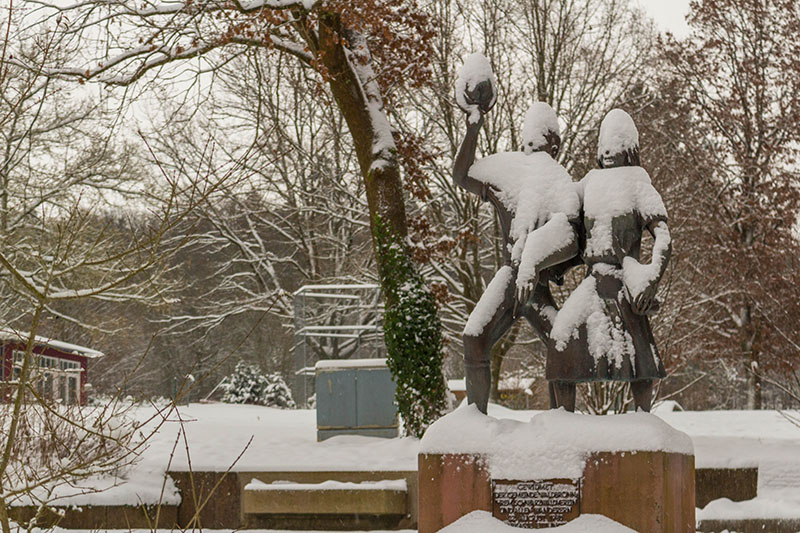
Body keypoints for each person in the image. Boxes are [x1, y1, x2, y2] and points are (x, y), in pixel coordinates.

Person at [453, 55, 582, 414]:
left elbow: (571, 239)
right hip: (513, 279)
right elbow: (461, 176)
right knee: (478, 339)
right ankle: (477, 422)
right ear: (555, 145)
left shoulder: (558, 184)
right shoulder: (520, 172)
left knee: (558, 344)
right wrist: (472, 128)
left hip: (530, 282)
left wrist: (535, 264)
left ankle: (560, 422)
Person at [549, 109, 671, 412]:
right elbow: (573, 233)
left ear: (628, 146)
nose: (607, 150)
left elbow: (663, 237)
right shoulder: (588, 184)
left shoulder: (638, 183)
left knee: (639, 360)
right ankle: (563, 419)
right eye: (603, 143)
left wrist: (651, 280)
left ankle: (642, 419)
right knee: (561, 341)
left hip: (622, 282)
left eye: (614, 143)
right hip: (593, 281)